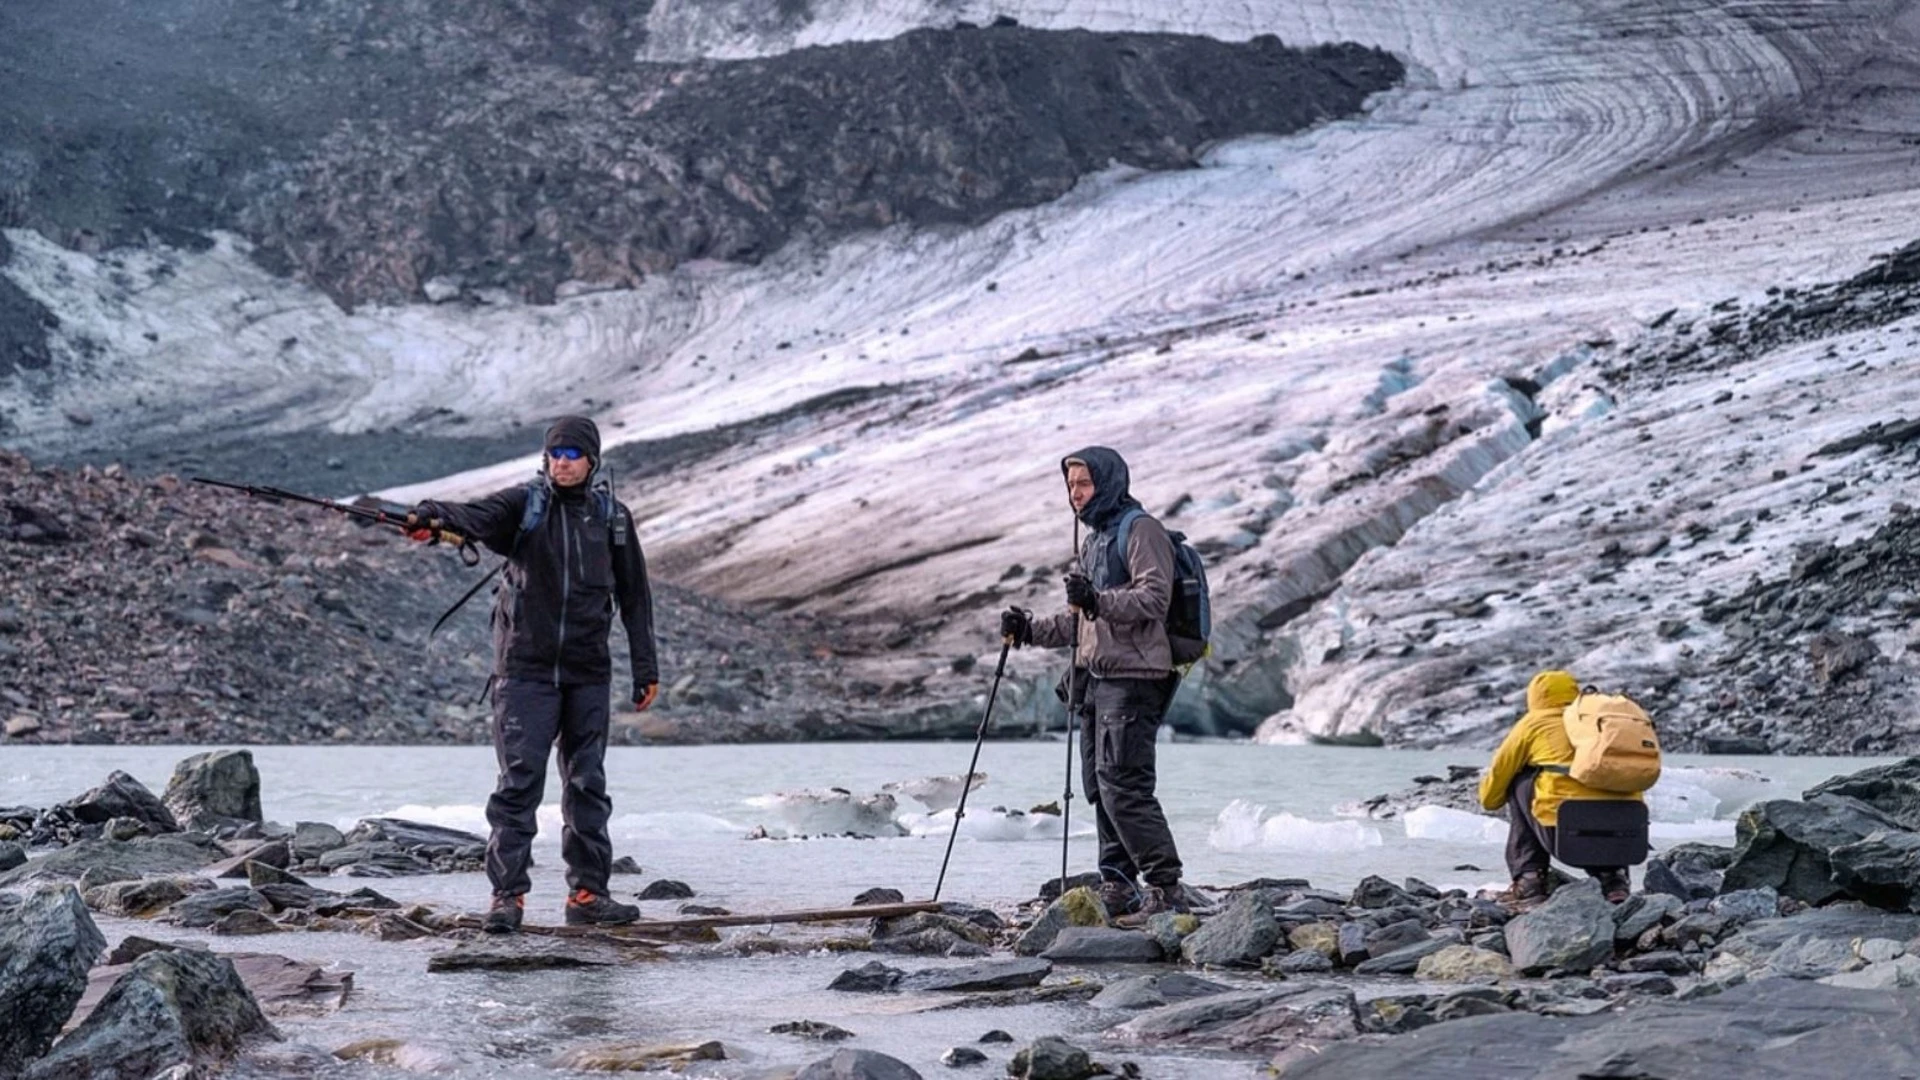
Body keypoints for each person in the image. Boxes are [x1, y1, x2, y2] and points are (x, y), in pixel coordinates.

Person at [408, 416, 658, 933]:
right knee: (519, 784)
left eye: (572, 453)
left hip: (589, 674)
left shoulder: (612, 517)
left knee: (587, 784)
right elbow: (472, 517)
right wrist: (431, 516)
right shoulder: (523, 506)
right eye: (555, 453)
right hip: (524, 672)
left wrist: (645, 668)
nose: (562, 461)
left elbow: (635, 597)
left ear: (592, 461)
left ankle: (588, 896)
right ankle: (507, 898)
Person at [1000, 446, 1185, 924]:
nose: (1076, 494)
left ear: (1107, 482)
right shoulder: (1095, 539)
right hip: (1097, 679)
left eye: (1083, 484)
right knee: (1099, 787)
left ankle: (1165, 888)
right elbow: (1080, 619)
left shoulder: (1140, 530)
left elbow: (1153, 598)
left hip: (1137, 676)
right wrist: (1030, 630)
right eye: (1071, 486)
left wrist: (1097, 600)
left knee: (1124, 784)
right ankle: (1118, 884)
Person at [1477, 669, 1637, 907]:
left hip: (1566, 830)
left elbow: (1499, 775)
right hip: (1624, 834)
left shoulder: (1534, 722)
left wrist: (1492, 798)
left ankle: (1530, 880)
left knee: (1520, 780)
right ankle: (1614, 879)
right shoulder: (1603, 720)